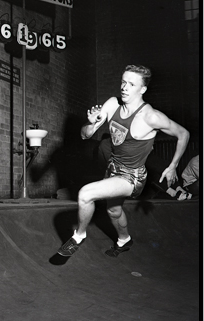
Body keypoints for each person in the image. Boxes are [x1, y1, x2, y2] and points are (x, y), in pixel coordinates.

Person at [57, 64, 190, 258]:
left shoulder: (150, 117)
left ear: (142, 89)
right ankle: (124, 240)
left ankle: (78, 236)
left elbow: (183, 134)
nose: (124, 88)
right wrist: (91, 124)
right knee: (113, 210)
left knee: (85, 194)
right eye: (123, 82)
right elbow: (84, 135)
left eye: (131, 84)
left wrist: (173, 166)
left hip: (132, 177)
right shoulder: (112, 104)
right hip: (112, 169)